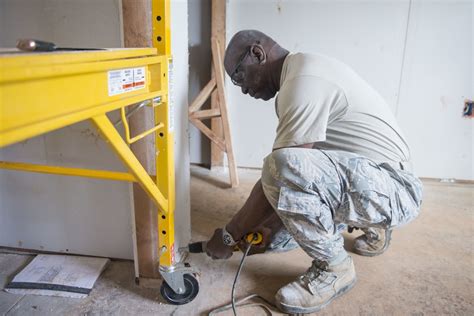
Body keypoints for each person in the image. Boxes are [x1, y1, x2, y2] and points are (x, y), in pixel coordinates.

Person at [205, 30, 423, 314]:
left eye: (238, 76)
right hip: (380, 181)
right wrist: (270, 227)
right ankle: (372, 224)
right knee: (276, 225)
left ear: (257, 54)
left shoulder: (303, 82)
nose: (242, 89)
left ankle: (335, 269)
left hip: (395, 191)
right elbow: (306, 174)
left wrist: (229, 235)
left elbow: (282, 172)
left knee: (278, 166)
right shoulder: (303, 71)